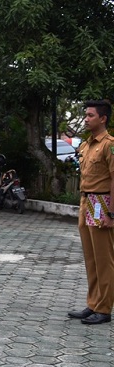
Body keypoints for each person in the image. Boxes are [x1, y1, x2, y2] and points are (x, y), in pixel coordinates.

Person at [69, 100, 114, 325]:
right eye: (85, 115)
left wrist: (111, 214)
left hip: (102, 202)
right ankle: (93, 303)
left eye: (90, 115)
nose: (86, 119)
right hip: (86, 201)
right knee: (91, 258)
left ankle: (104, 308)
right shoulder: (86, 145)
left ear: (103, 119)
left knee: (104, 259)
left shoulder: (109, 145)